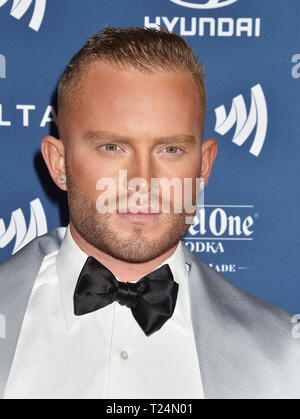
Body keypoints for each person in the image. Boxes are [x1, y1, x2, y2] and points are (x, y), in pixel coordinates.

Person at [0, 26, 299, 400]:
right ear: (59, 163)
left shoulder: (283, 355)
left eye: (170, 150)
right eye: (112, 147)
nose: (142, 181)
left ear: (203, 166)